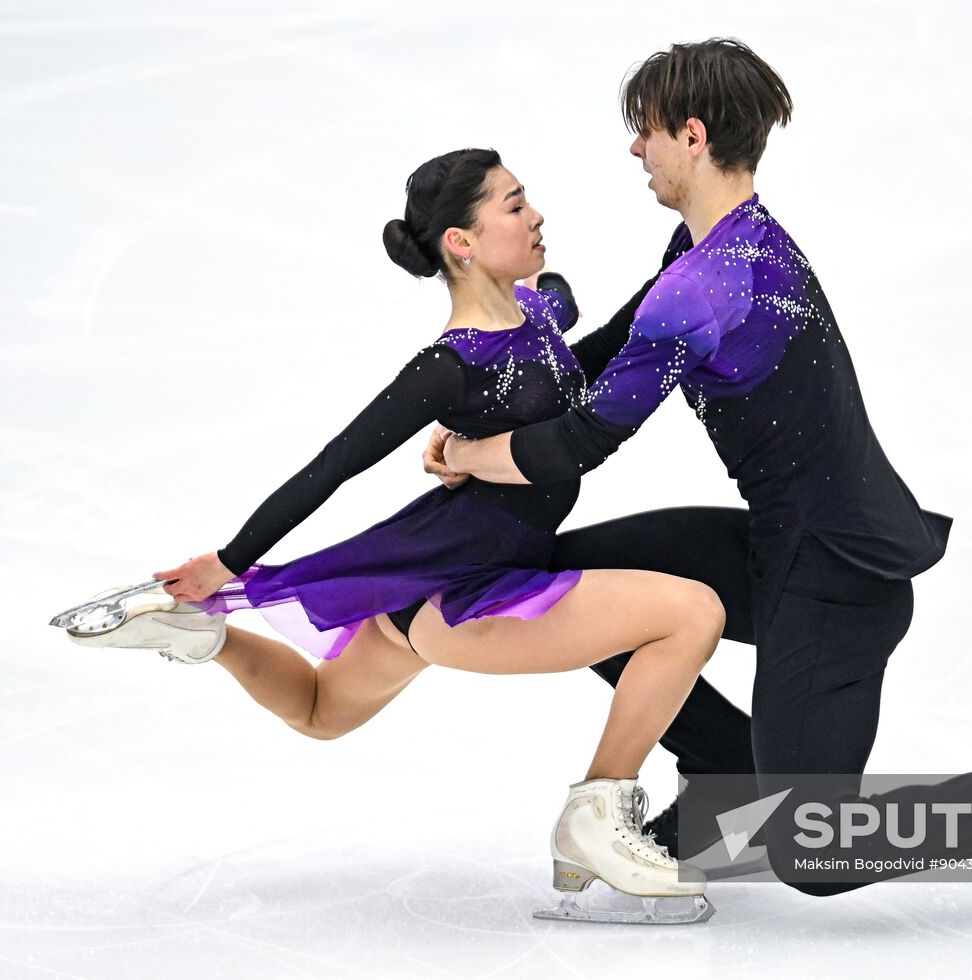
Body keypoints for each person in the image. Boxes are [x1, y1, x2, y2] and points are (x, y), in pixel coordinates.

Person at [431, 39, 972, 894]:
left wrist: (469, 454)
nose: (634, 149)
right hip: (786, 540)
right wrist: (484, 398)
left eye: (645, 131)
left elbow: (581, 439)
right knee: (568, 584)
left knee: (816, 852)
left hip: (838, 574)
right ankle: (727, 777)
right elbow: (602, 353)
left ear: (692, 136)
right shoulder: (707, 253)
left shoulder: (712, 286)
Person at [55, 148, 724, 922]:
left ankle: (206, 639)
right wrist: (229, 563)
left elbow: (582, 338)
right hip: (470, 593)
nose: (535, 215)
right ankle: (596, 822)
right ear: (460, 243)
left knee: (319, 712)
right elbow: (335, 462)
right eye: (513, 205)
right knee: (692, 613)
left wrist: (689, 258)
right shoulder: (449, 367)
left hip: (427, 580)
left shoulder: (537, 314)